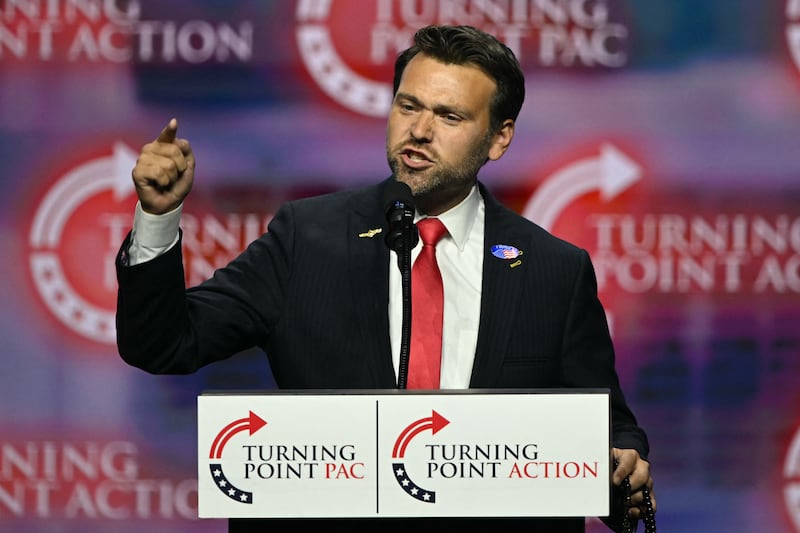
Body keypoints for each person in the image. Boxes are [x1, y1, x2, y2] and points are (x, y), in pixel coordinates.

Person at [116, 24, 655, 532]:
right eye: (408, 106)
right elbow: (164, 344)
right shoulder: (307, 237)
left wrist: (623, 465)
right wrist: (158, 217)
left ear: (498, 138)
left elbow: (606, 429)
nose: (419, 131)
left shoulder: (552, 270)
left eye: (449, 116)